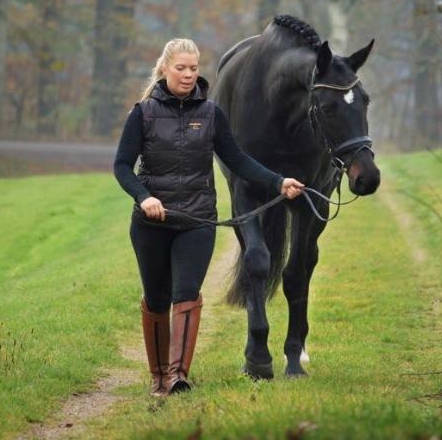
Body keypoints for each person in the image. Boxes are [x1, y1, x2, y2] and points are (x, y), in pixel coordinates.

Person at [113, 38, 304, 396]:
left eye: (194, 68)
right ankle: (158, 376)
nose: (188, 75)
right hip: (151, 223)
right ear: (165, 69)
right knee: (157, 298)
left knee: (187, 293)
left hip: (196, 222)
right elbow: (122, 166)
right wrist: (145, 197)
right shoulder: (143, 113)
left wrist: (279, 182)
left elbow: (238, 161)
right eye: (180, 68)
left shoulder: (212, 114)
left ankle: (177, 375)